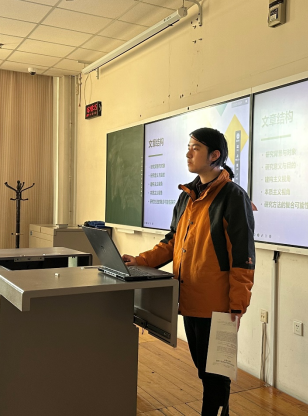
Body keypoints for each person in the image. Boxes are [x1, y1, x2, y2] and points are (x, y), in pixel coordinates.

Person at [122, 127, 255, 416]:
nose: (188, 153)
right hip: (190, 300)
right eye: (188, 147)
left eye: (195, 148)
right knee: (204, 370)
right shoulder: (187, 196)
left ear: (214, 155)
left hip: (219, 306)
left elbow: (243, 258)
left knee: (216, 373)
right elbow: (172, 242)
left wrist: (237, 305)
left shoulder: (233, 197)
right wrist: (140, 261)